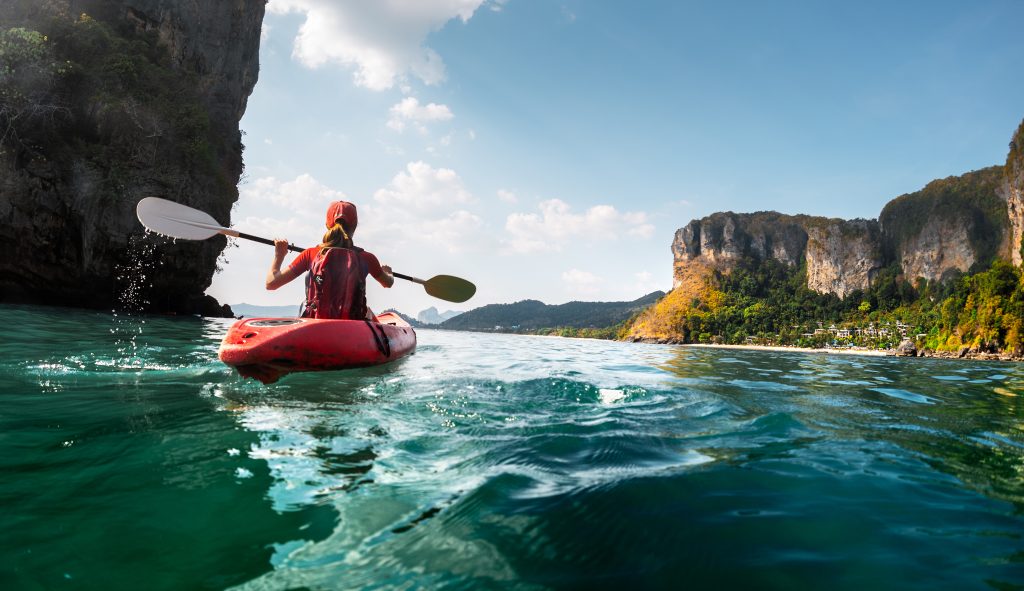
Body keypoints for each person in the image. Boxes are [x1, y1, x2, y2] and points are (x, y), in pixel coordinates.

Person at [266, 200, 394, 319]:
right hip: (353, 325)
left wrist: (279, 255)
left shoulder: (310, 254)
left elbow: (271, 283)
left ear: (327, 224)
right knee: (369, 313)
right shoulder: (367, 258)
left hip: (315, 324)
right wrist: (388, 273)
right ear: (354, 226)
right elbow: (387, 283)